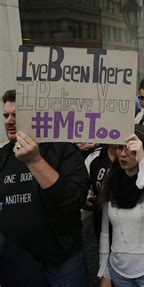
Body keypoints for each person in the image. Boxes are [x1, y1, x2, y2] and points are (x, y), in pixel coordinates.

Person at [0, 89, 89, 286]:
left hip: (62, 265)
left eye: (16, 114)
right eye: (6, 115)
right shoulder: (3, 156)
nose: (9, 120)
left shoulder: (63, 149)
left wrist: (35, 161)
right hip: (18, 267)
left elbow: (74, 200)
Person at [97, 125, 144, 287]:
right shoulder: (111, 183)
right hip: (119, 271)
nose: (123, 154)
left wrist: (143, 162)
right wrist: (104, 271)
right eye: (119, 147)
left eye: (131, 149)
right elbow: (105, 231)